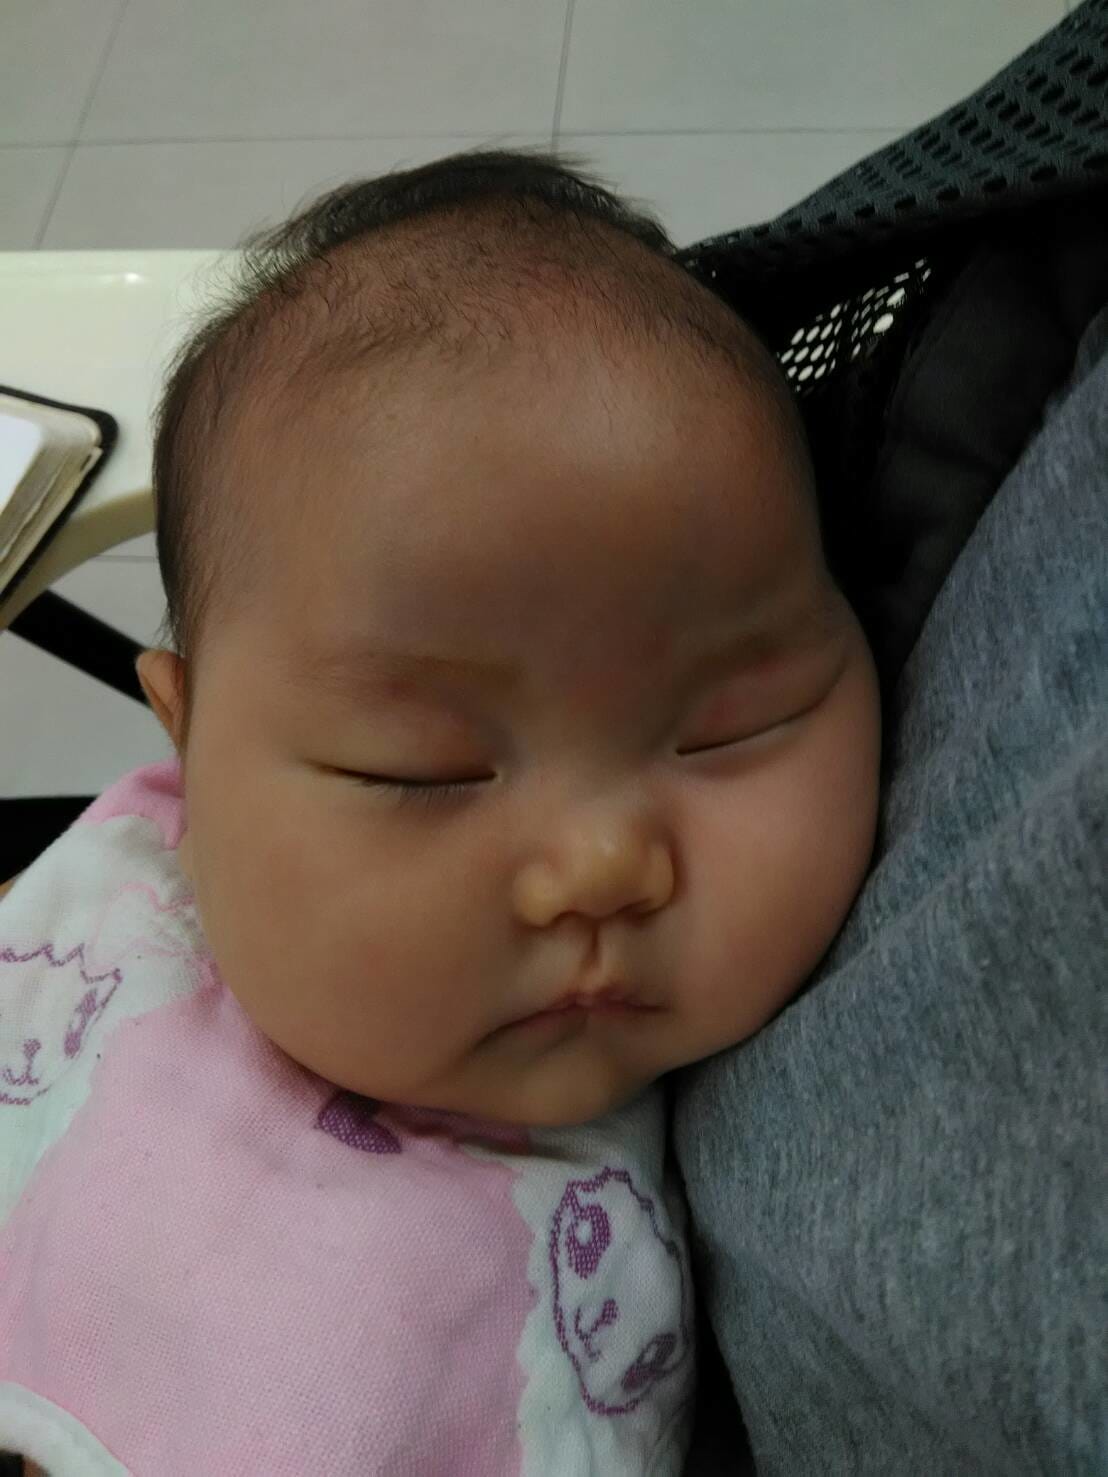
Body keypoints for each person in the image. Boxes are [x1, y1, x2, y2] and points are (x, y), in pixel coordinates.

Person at [0, 150, 882, 1474]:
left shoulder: (810, 1182)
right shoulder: (102, 906)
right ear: (188, 739)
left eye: (726, 730)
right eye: (420, 770)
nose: (601, 865)